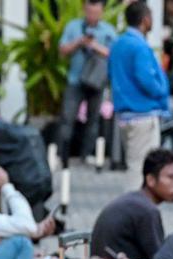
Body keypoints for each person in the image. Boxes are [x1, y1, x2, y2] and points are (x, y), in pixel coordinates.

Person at [109, 2, 171, 171]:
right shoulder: (139, 46)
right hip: (142, 114)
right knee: (140, 168)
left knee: (135, 162)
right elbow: (146, 79)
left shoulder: (118, 44)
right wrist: (161, 91)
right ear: (145, 20)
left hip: (125, 113)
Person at [57, 0, 118, 161]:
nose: (92, 16)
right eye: (90, 12)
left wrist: (95, 46)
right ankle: (61, 156)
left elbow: (115, 55)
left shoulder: (108, 31)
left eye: (96, 13)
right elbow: (62, 50)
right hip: (75, 80)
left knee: (93, 120)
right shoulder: (73, 26)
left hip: (96, 82)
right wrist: (79, 42)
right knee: (67, 118)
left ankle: (86, 156)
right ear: (84, 9)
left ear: (102, 11)